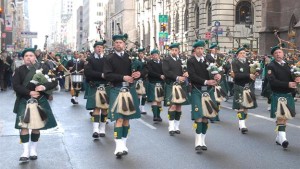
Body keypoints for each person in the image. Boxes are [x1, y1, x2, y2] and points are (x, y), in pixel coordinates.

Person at [12, 48, 58, 162]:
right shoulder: (19, 70)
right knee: (24, 126)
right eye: (26, 56)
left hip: (39, 99)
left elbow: (54, 81)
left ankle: (33, 150)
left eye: (31, 55)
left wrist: (44, 87)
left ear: (35, 57)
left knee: (36, 126)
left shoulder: (44, 68)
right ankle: (25, 152)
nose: (28, 57)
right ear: (23, 59)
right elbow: (16, 86)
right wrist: (29, 92)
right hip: (25, 99)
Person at [104, 33, 144, 158]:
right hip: (116, 88)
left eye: (120, 42)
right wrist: (123, 77)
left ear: (124, 44)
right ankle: (118, 146)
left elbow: (145, 69)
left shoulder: (130, 57)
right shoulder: (109, 58)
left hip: (129, 89)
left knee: (126, 119)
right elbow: (107, 75)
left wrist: (139, 73)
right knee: (119, 118)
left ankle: (124, 144)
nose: (118, 44)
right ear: (114, 44)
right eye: (116, 43)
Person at [187, 40, 221, 152]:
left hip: (208, 91)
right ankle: (197, 141)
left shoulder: (207, 60)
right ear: (195, 50)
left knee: (206, 116)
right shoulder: (191, 61)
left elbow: (213, 72)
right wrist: (207, 81)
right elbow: (192, 76)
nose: (200, 51)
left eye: (202, 49)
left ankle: (203, 140)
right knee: (199, 116)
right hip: (197, 90)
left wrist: (217, 76)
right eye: (198, 49)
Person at [267, 46, 299, 149]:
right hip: (278, 94)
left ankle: (278, 137)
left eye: (280, 52)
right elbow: (272, 82)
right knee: (281, 117)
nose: (278, 54)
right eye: (276, 53)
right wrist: (287, 85)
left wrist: (297, 79)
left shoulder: (288, 65)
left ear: (283, 54)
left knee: (284, 118)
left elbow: (292, 77)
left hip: (288, 94)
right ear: (273, 55)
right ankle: (283, 139)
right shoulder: (271, 66)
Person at [162, 43, 189, 136]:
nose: (174, 52)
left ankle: (177, 126)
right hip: (171, 84)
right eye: (172, 50)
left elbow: (184, 70)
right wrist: (177, 77)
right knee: (172, 106)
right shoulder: (166, 60)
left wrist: (185, 73)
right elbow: (166, 72)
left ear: (178, 51)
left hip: (180, 85)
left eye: (176, 50)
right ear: (170, 51)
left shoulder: (181, 60)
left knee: (179, 106)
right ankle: (171, 126)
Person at [84, 40, 109, 138]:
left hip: (105, 85)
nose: (99, 49)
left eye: (101, 47)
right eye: (97, 47)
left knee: (105, 109)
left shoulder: (107, 59)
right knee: (96, 108)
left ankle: (102, 129)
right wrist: (101, 75)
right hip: (94, 85)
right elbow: (88, 72)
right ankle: (95, 130)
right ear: (94, 49)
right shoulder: (90, 59)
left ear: (103, 49)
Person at [232, 47, 259, 134]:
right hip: (239, 86)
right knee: (241, 106)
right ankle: (242, 124)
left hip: (248, 86)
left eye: (244, 53)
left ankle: (243, 123)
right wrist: (248, 75)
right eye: (241, 53)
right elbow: (236, 75)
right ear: (237, 55)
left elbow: (257, 68)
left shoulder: (249, 62)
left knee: (246, 106)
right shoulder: (234, 62)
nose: (243, 55)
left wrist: (257, 72)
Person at [147, 49, 164, 122]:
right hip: (152, 82)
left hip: (161, 83)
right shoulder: (149, 63)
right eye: (153, 55)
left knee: (159, 100)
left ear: (158, 55)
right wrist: (160, 75)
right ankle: (155, 116)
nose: (154, 56)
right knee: (154, 99)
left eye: (156, 55)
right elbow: (150, 72)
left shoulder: (163, 63)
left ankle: (158, 115)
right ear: (151, 56)